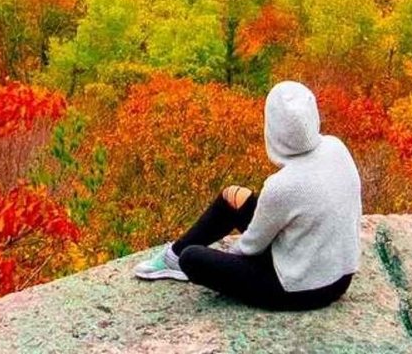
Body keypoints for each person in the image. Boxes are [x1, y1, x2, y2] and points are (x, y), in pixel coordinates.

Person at [133, 80, 362, 312]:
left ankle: (178, 257)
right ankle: (173, 255)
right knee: (233, 196)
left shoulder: (282, 186)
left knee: (192, 259)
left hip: (299, 289)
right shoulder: (336, 148)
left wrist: (227, 265)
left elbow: (250, 248)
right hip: (341, 276)